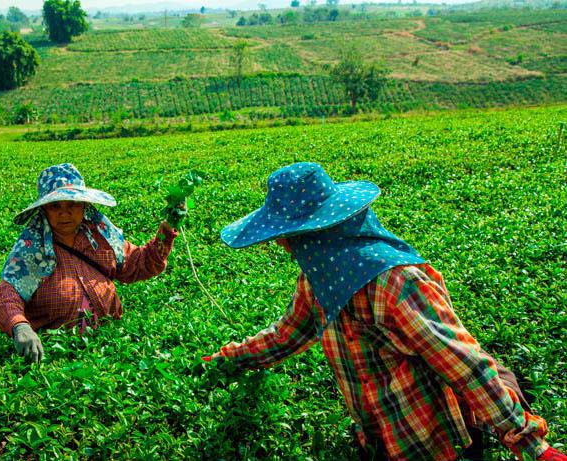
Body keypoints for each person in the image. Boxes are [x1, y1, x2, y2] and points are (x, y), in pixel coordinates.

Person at [204, 162, 566, 461]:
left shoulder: (396, 284)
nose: (283, 245)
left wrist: (533, 445)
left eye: (289, 236)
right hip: (380, 437)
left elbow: (463, 362)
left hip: (437, 444)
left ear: (320, 233)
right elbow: (288, 334)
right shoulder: (318, 281)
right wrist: (226, 360)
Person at [0, 163, 179, 363]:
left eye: (72, 204)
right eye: (55, 206)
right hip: (56, 355)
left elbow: (137, 264)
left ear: (84, 206)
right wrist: (20, 326)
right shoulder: (32, 248)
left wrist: (168, 229)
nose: (64, 213)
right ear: (44, 211)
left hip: (110, 346)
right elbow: (6, 294)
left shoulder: (100, 237)